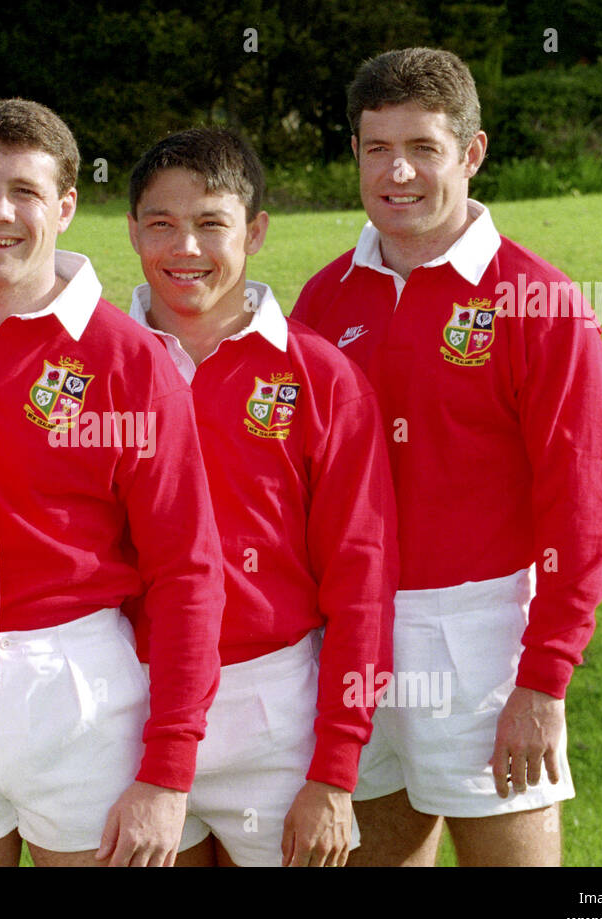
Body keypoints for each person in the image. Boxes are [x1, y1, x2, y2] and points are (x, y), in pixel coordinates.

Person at [0, 99, 224, 867]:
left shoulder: (131, 359)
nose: (0, 212)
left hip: (78, 686)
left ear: (64, 207)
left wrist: (168, 768)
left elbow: (186, 570)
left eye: (25, 191)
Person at [291, 48, 602, 866]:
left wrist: (545, 681)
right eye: (376, 148)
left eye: (423, 148)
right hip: (347, 634)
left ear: (471, 154)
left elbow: (586, 504)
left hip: (479, 637)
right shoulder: (323, 297)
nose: (396, 172)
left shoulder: (538, 302)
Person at [124, 128, 398, 866]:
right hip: (131, 702)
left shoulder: (321, 376)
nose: (185, 248)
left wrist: (335, 771)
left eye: (212, 224)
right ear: (131, 230)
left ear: (256, 231)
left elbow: (362, 576)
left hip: (277, 704)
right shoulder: (97, 365)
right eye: (162, 224)